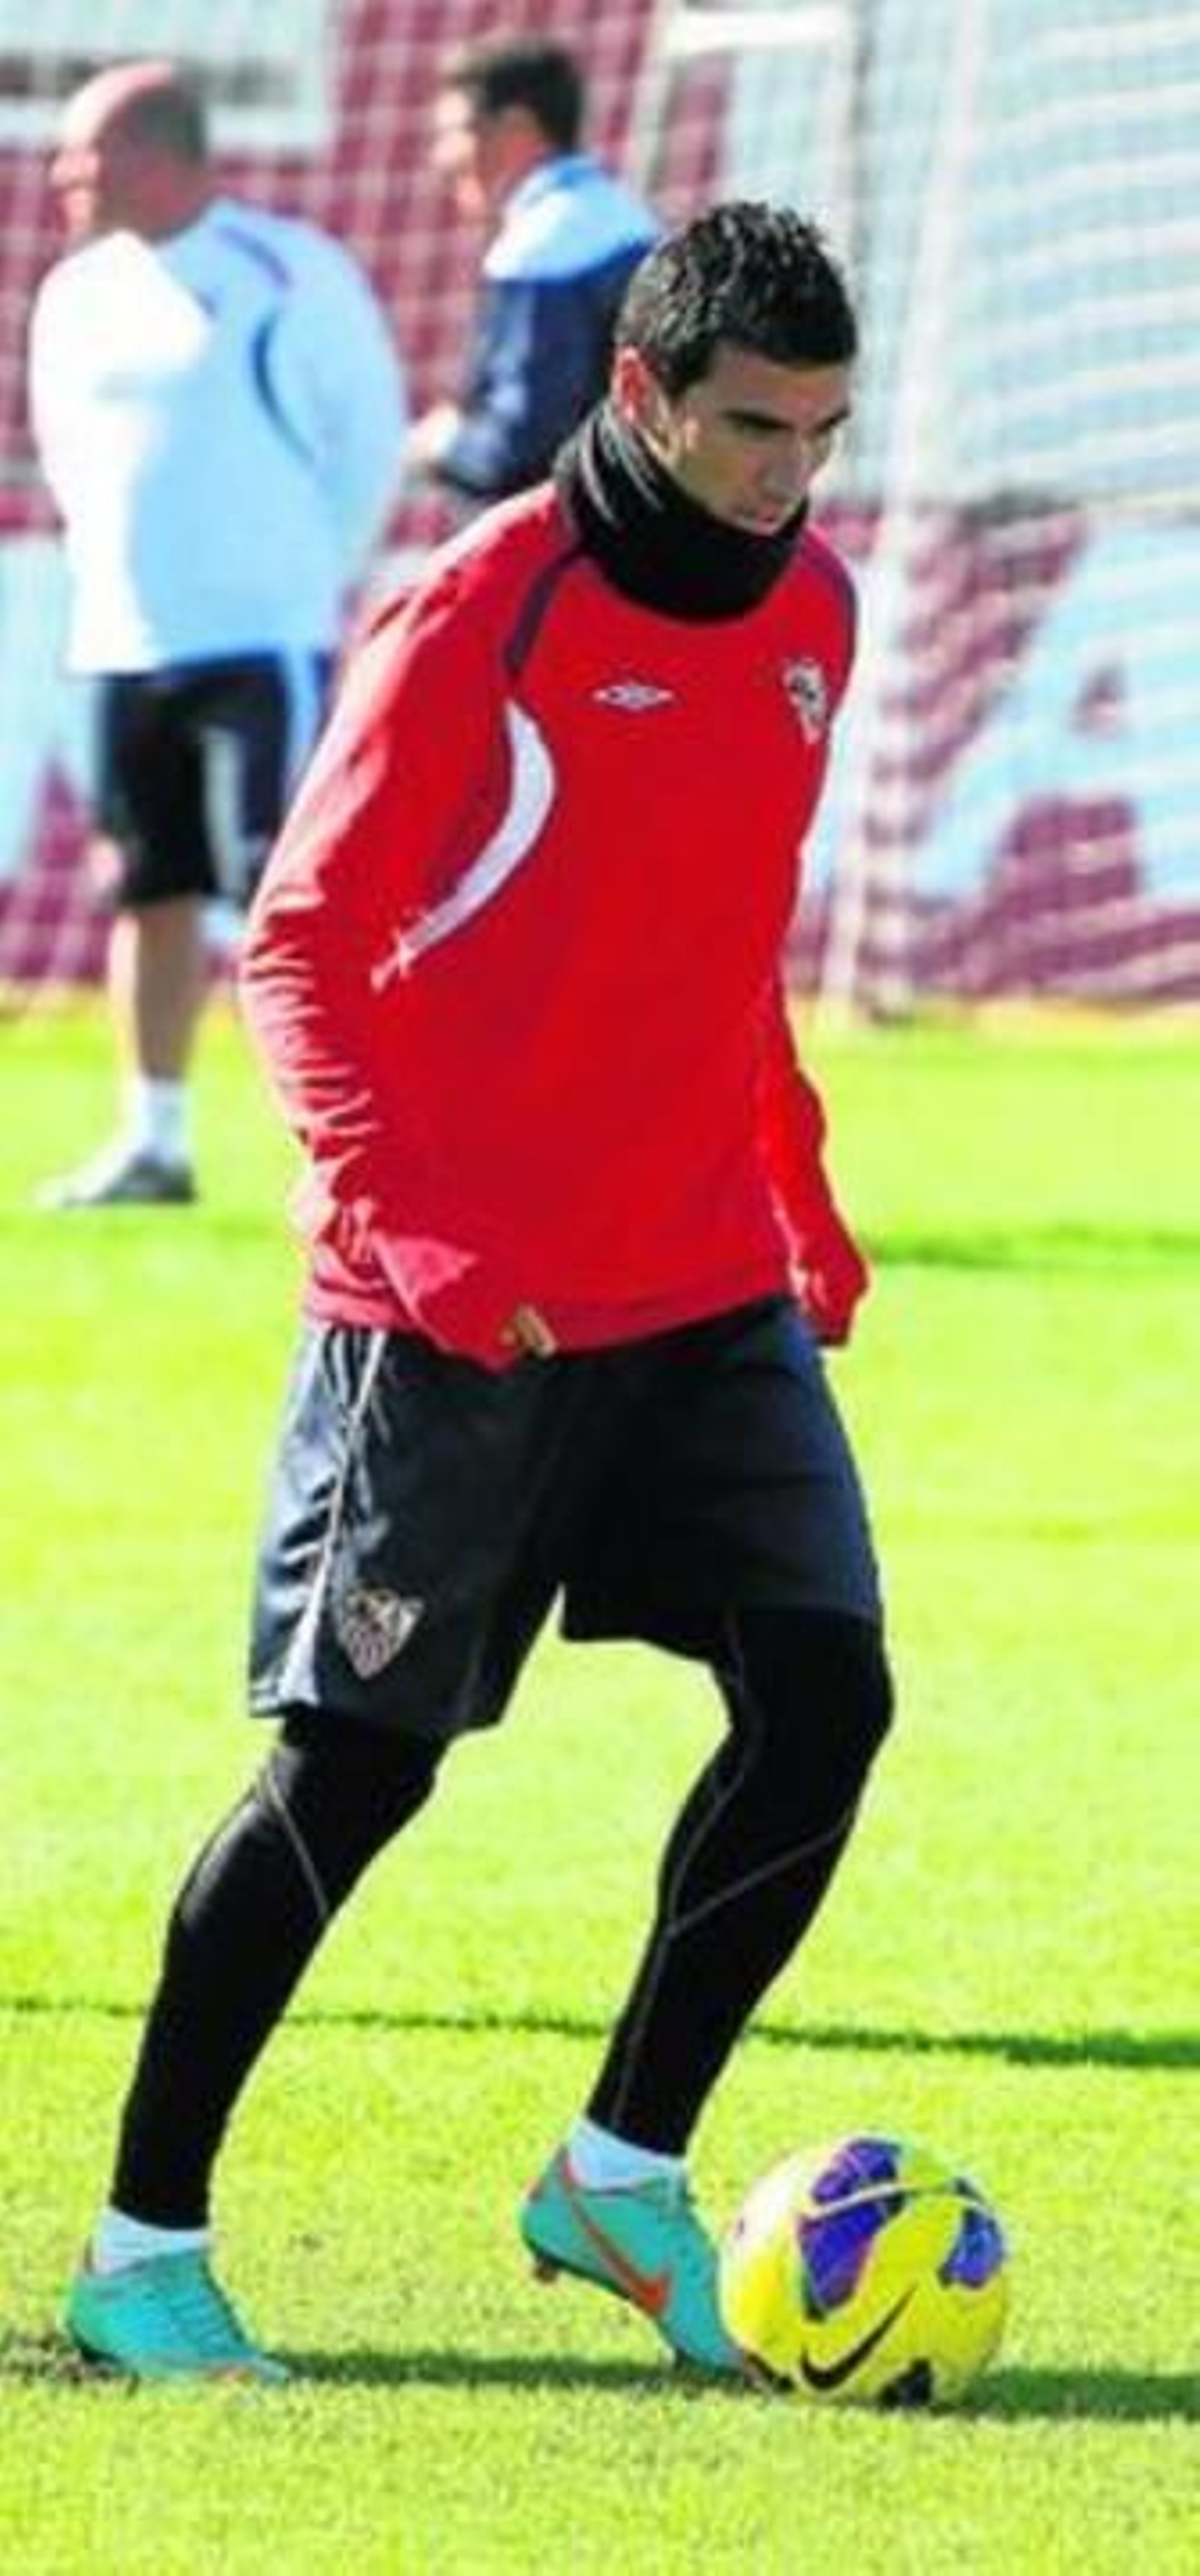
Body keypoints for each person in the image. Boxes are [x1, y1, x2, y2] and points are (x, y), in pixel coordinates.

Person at [62, 202, 894, 2385]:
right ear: (637, 392)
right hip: (448, 1314)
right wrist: (424, 1233)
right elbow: (302, 951)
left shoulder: (813, 602)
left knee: (824, 1701)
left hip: (697, 1278)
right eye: (743, 428)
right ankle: (138, 2244)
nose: (779, 475)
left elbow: (726, 934)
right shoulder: (477, 615)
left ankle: (618, 2171)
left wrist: (793, 1182)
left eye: (814, 431)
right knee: (351, 1778)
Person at [29, 58, 406, 1208]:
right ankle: (155, 1139)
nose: (64, 177)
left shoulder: (287, 273)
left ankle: (354, 1150)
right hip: (125, 640)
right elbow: (68, 454)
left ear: (161, 153)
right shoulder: (77, 294)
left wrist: (302, 578)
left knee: (289, 900)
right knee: (148, 891)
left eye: (88, 153)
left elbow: (369, 439)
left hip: (262, 638)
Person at [407, 34, 657, 503]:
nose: (439, 160)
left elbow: (519, 449)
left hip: (576, 549)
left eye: (454, 134)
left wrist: (441, 445)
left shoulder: (547, 246)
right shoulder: (626, 220)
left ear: (517, 131)